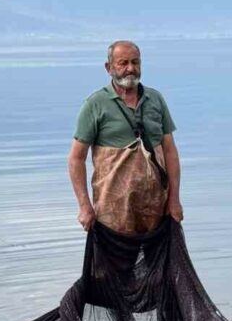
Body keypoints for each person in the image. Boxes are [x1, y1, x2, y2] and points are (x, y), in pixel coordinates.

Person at [68, 40, 183, 235]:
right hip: (112, 212)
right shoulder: (95, 104)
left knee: (162, 255)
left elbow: (170, 151)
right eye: (123, 63)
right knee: (112, 256)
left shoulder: (155, 99)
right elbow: (76, 159)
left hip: (157, 208)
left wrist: (174, 199)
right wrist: (84, 206)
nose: (131, 68)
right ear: (109, 68)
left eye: (135, 62)